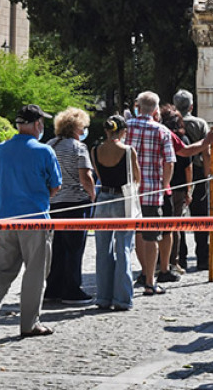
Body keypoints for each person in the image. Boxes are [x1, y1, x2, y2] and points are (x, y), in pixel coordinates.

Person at [0, 105, 62, 337]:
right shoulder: (44, 151)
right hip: (35, 219)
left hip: (6, 219)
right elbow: (55, 186)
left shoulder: (1, 149)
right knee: (35, 273)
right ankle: (29, 323)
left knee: (1, 271)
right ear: (37, 124)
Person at [157, 105, 213, 281]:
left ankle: (169, 261)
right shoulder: (178, 136)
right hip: (177, 187)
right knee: (175, 227)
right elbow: (188, 161)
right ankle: (175, 261)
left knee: (160, 227)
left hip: (160, 186)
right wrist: (191, 187)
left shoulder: (159, 135)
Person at [43, 107, 97, 305]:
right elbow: (86, 176)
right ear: (77, 127)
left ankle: (53, 288)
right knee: (75, 248)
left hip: (54, 202)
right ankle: (72, 289)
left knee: (56, 247)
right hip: (75, 203)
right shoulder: (78, 147)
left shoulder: (50, 145)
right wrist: (92, 195)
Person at [125, 91, 176, 295]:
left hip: (128, 190)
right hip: (152, 191)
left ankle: (140, 272)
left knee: (135, 233)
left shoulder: (126, 128)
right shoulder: (161, 130)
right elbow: (170, 161)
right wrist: (164, 184)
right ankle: (149, 280)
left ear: (137, 106)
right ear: (155, 109)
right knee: (151, 236)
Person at [92, 116, 141, 310]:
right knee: (124, 249)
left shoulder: (95, 150)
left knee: (102, 251)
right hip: (123, 200)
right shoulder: (128, 151)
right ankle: (122, 298)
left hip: (103, 199)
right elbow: (136, 177)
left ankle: (103, 297)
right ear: (122, 131)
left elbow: (99, 174)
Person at [173, 89, 212, 271]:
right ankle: (203, 257)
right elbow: (206, 151)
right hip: (196, 171)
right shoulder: (200, 123)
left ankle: (180, 258)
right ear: (191, 106)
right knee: (200, 217)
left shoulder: (171, 123)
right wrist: (207, 175)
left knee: (178, 216)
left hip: (176, 172)